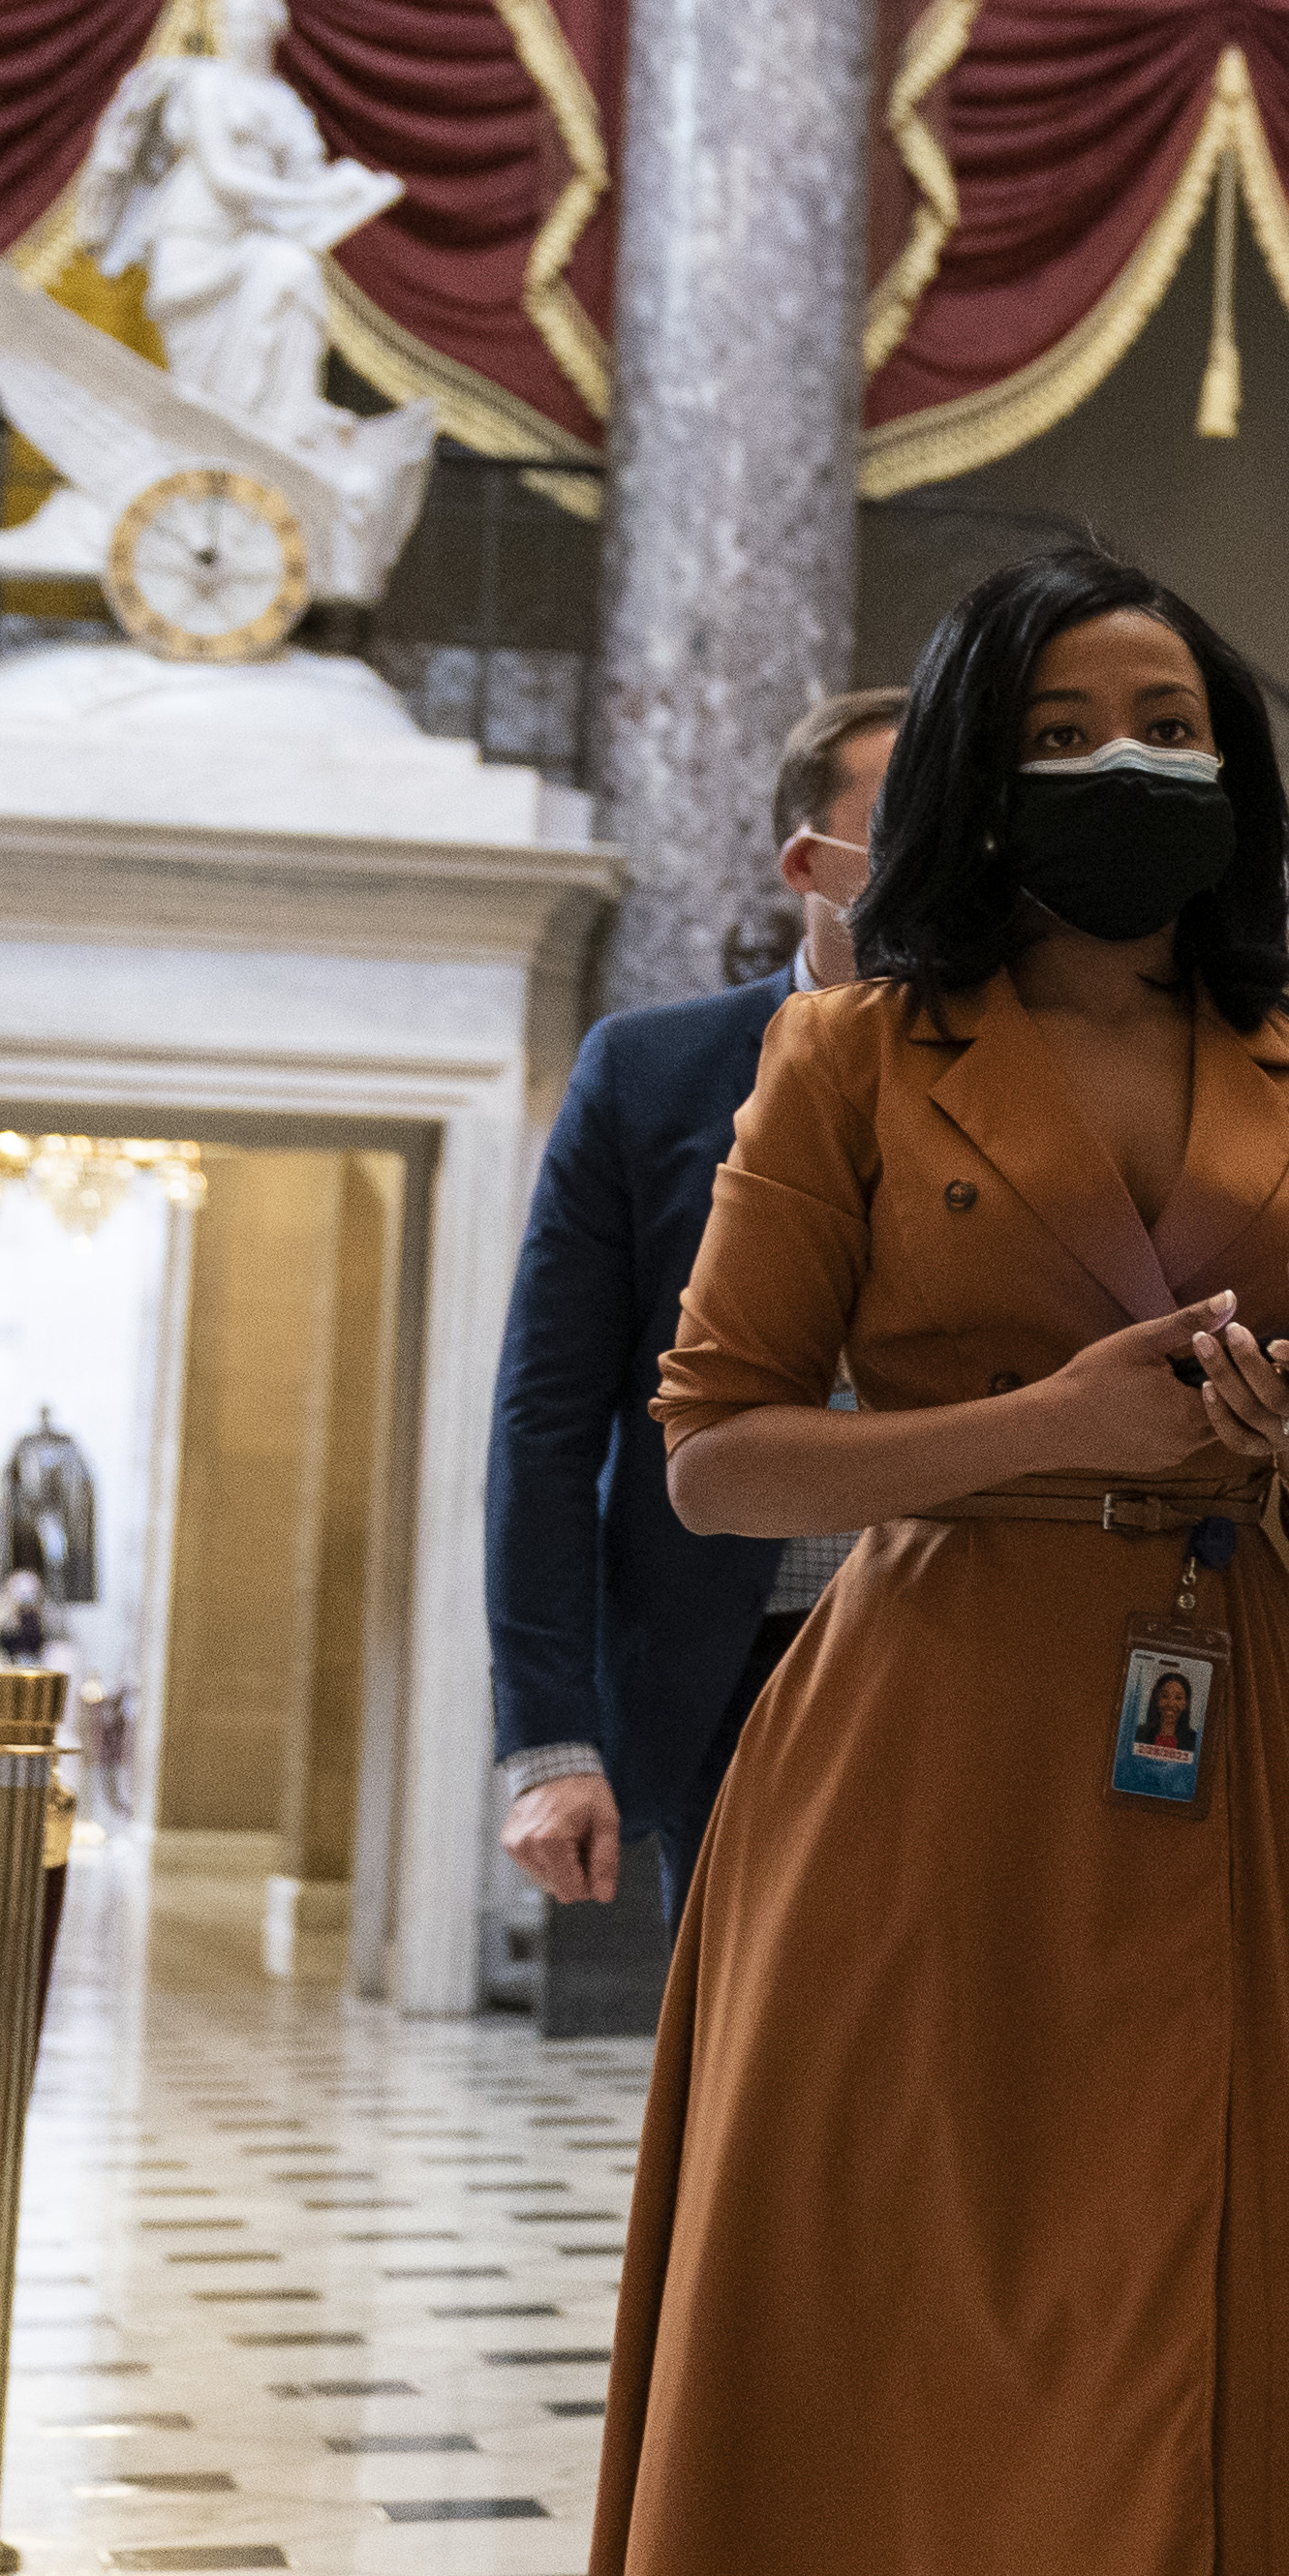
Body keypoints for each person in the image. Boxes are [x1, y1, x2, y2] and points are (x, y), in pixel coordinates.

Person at [585, 549, 1289, 2576]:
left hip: (1224, 1729)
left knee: (1190, 2287)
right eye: (1065, 731)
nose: (1125, 762)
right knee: (927, 2294)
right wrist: (1043, 1425)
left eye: (1167, 723)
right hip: (925, 1732)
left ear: (1238, 766)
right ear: (979, 784)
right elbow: (715, 1453)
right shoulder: (847, 1055)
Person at [486, 684, 904, 1915]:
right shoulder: (648, 1073)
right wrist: (551, 1741)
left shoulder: (1039, 1077)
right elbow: (545, 1422)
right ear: (809, 861)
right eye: (907, 818)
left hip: (959, 1643)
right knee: (739, 2069)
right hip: (726, 1669)